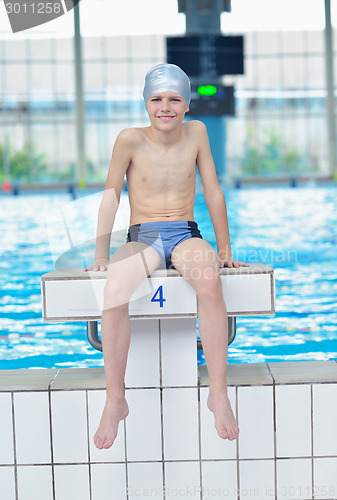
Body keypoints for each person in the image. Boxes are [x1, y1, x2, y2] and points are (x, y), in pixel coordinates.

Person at [84, 63, 248, 450]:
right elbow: (111, 195)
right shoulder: (129, 139)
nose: (166, 107)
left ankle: (218, 392)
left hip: (186, 233)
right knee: (114, 292)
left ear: (187, 104)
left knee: (209, 280)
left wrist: (223, 249)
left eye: (174, 99)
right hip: (144, 235)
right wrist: (100, 253)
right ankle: (115, 398)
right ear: (145, 104)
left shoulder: (197, 133)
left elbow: (212, 190)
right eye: (157, 99)